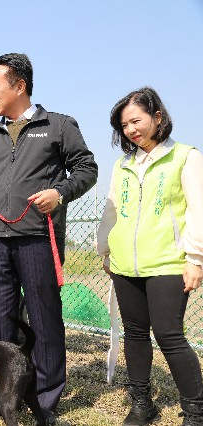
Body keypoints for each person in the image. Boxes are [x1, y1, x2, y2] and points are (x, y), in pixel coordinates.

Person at [0, 53, 98, 419]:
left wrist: (60, 193)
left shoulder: (57, 125)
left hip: (39, 237)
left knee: (43, 318)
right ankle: (5, 395)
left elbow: (87, 168)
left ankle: (45, 397)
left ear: (19, 86)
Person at [97, 87, 203, 426]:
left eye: (136, 120)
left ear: (158, 117)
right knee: (135, 333)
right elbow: (111, 212)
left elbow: (199, 210)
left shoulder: (186, 157)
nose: (130, 130)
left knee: (169, 335)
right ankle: (142, 403)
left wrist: (196, 258)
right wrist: (106, 249)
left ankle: (196, 412)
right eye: (124, 125)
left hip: (168, 262)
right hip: (126, 263)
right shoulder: (123, 165)